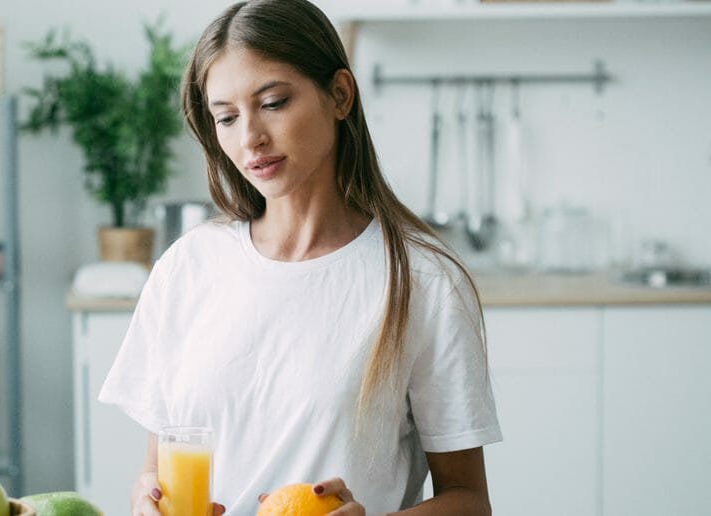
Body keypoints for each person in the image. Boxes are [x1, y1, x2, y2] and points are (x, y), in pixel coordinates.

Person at [98, 0, 502, 514]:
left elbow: (468, 500)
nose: (250, 139)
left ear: (338, 94)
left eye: (272, 102)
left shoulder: (422, 280)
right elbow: (155, 469)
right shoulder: (188, 267)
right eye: (226, 117)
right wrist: (145, 498)